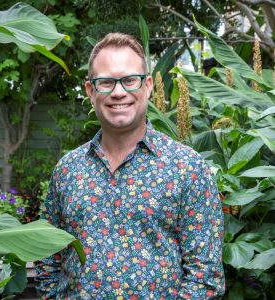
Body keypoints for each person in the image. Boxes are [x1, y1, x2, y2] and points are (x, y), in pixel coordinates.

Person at [35, 32, 225, 299]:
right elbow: (47, 258)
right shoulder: (68, 171)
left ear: (147, 86)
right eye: (106, 82)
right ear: (90, 90)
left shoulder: (187, 168)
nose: (118, 92)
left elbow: (205, 277)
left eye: (129, 80)